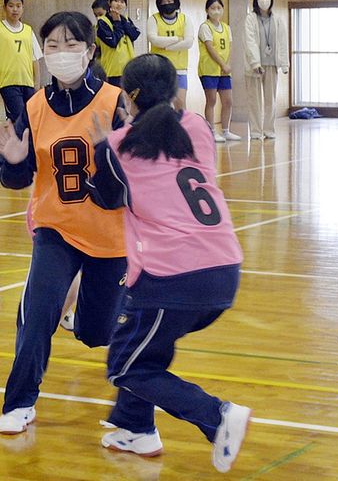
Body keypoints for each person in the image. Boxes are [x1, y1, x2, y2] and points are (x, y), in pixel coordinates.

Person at [86, 53, 250, 473]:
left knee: (126, 365)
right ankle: (135, 428)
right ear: (176, 93)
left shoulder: (120, 147)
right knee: (145, 338)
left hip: (171, 277)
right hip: (224, 269)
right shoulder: (197, 127)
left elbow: (104, 199)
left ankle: (216, 416)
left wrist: (105, 145)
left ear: (129, 97)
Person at [0, 11, 128, 434]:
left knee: (95, 333)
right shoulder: (32, 107)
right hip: (57, 229)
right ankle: (20, 402)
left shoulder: (114, 102)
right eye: (52, 45)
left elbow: (128, 185)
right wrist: (12, 164)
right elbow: (16, 176)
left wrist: (110, 157)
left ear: (89, 51)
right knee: (38, 314)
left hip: (110, 236)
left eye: (71, 45)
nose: (61, 53)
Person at [0, 0, 43, 123]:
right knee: (19, 117)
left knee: (31, 118)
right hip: (8, 82)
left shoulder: (28, 30)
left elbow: (35, 58)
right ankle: (19, 142)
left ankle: (26, 143)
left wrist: (37, 83)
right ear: (4, 8)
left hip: (27, 82)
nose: (15, 9)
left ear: (23, 8)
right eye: (11, 6)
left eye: (18, 6)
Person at [244, 0, 288, 140]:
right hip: (254, 66)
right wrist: (255, 63)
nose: (264, 0)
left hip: (271, 64)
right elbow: (249, 41)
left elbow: (283, 41)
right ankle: (256, 132)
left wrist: (284, 63)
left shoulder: (277, 19)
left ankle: (269, 130)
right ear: (256, 0)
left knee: (271, 100)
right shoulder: (250, 18)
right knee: (254, 100)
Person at [198, 0, 239, 142]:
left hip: (224, 71)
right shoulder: (205, 27)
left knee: (228, 101)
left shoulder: (227, 28)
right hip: (209, 69)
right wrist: (222, 64)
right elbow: (210, 48)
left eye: (219, 8)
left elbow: (230, 48)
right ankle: (212, 131)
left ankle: (226, 130)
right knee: (212, 100)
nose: (216, 11)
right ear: (207, 10)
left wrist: (228, 65)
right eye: (213, 8)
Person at [147, 0, 193, 110]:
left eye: (170, 1)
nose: (167, 4)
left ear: (176, 2)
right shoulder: (153, 19)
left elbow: (188, 42)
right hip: (159, 67)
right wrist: (177, 38)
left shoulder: (185, 19)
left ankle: (181, 128)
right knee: (160, 104)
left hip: (180, 68)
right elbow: (154, 39)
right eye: (164, 2)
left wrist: (165, 46)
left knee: (180, 103)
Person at [97, 0, 140, 87]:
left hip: (128, 70)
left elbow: (135, 35)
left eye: (122, 2)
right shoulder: (102, 22)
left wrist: (122, 20)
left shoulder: (126, 19)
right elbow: (113, 42)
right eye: (116, 1)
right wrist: (117, 22)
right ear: (110, 3)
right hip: (112, 71)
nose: (119, 4)